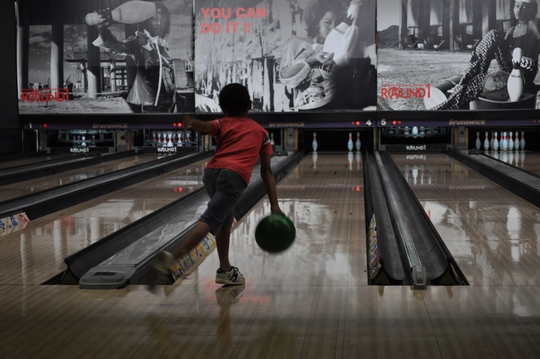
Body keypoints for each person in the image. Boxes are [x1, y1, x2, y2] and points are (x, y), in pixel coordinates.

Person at [149, 83, 283, 290]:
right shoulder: (261, 132)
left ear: (223, 108)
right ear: (250, 104)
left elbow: (206, 127)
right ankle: (173, 257)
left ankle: (225, 269)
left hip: (211, 173)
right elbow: (266, 171)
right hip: (233, 178)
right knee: (211, 219)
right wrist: (274, 205)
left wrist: (192, 122)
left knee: (225, 219)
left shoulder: (222, 123)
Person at [431, 0, 540, 110]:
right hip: (510, 69)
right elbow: (499, 55)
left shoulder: (534, 25)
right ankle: (465, 81)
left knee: (482, 79)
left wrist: (532, 62)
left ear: (531, 9)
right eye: (517, 6)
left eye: (524, 7)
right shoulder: (511, 31)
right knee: (493, 35)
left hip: (523, 75)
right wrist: (480, 54)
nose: (519, 9)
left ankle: (442, 108)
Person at [279, 0, 375, 110]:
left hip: (335, 107)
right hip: (304, 110)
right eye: (328, 22)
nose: (333, 27)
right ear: (315, 22)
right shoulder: (294, 42)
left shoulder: (340, 47)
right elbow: (284, 78)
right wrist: (312, 59)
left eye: (337, 23)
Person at [90, 3, 176, 113]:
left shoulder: (163, 45)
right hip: (150, 105)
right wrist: (103, 29)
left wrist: (176, 95)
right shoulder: (139, 40)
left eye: (163, 20)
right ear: (146, 20)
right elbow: (117, 46)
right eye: (155, 19)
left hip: (169, 104)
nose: (159, 23)